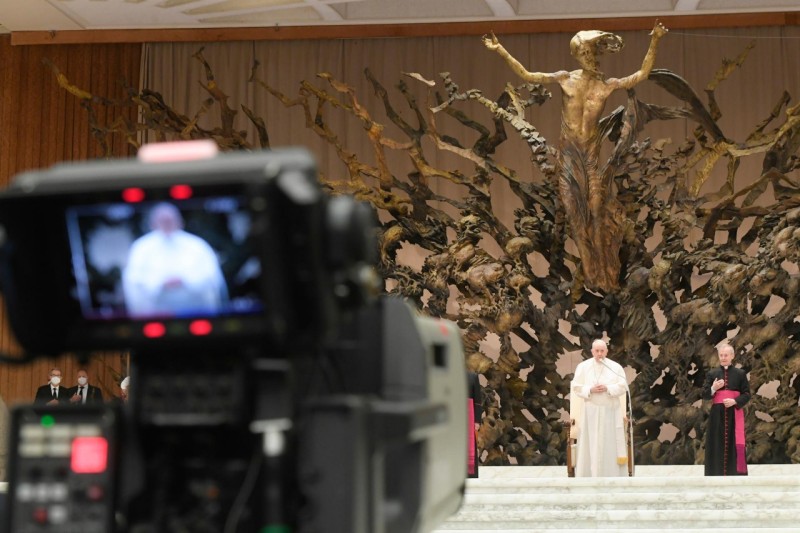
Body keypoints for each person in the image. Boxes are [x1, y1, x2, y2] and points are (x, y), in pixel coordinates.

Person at [483, 23, 668, 292]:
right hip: (569, 159)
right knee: (573, 213)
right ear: (579, 55)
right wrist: (500, 50)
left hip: (590, 158)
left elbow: (641, 75)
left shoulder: (607, 85)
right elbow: (528, 75)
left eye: (593, 52)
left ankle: (605, 269)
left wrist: (656, 41)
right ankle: (593, 272)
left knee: (596, 208)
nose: (591, 57)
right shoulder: (564, 78)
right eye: (587, 52)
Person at [122, 202, 228, 317]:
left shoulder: (197, 245)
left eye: (170, 220)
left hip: (195, 311)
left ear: (180, 221)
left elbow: (211, 276)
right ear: (153, 223)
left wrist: (185, 280)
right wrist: (160, 283)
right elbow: (133, 279)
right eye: (163, 221)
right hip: (155, 314)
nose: (167, 224)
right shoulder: (141, 248)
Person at [570, 339, 628, 477]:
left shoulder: (615, 367)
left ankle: (612, 475)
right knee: (591, 443)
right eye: (597, 351)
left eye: (602, 351)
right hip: (590, 411)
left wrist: (608, 388)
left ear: (607, 351)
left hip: (610, 411)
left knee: (609, 443)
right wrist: (590, 389)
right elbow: (576, 387)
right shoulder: (583, 367)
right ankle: (589, 475)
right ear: (592, 351)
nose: (600, 354)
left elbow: (623, 386)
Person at [703, 343, 750, 476]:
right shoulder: (712, 373)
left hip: (734, 414)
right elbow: (704, 395)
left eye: (726, 355)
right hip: (717, 415)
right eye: (721, 355)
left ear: (732, 356)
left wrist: (735, 401)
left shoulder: (740, 374)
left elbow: (747, 394)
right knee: (716, 443)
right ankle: (715, 474)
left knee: (733, 444)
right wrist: (713, 389)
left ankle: (735, 474)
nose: (723, 357)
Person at [467, 371, 483, 478]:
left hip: (469, 415)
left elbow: (477, 400)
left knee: (470, 444)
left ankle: (470, 474)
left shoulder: (472, 375)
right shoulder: (447, 373)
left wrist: (477, 421)